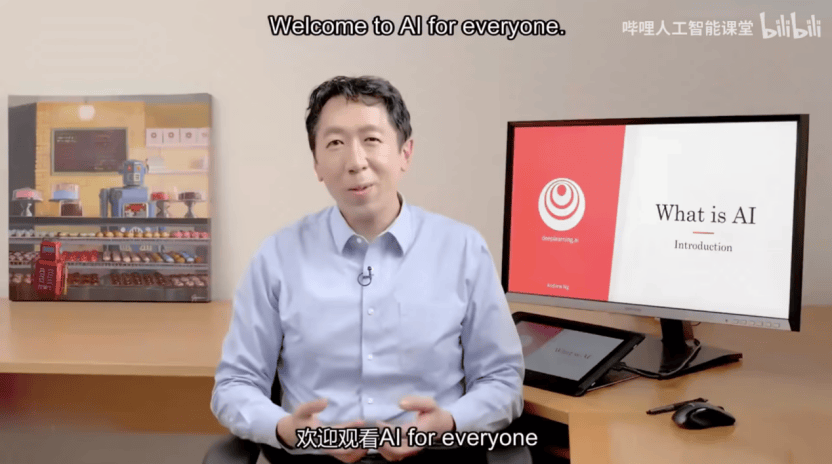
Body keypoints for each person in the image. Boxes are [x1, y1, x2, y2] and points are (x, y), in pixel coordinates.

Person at [211, 76, 525, 463]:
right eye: (335, 143)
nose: (355, 162)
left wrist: (450, 422)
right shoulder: (278, 255)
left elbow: (502, 380)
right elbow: (234, 385)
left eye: (371, 140)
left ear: (405, 153)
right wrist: (286, 429)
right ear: (316, 164)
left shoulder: (463, 249)